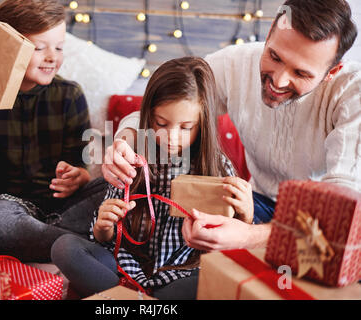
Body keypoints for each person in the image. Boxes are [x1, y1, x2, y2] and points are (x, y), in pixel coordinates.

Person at [101, 0, 360, 252]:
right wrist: (126, 139)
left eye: (300, 73)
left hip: (315, 218)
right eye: (274, 56)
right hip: (258, 202)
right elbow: (169, 103)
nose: (278, 81)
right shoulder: (235, 63)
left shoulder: (352, 94)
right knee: (115, 198)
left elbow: (339, 215)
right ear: (270, 33)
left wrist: (249, 237)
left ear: (332, 72)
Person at [51, 57, 253, 299]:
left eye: (186, 127)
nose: (172, 137)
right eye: (161, 123)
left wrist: (246, 216)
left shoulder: (217, 167)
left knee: (215, 280)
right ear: (148, 116)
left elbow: (235, 243)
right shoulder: (133, 159)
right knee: (64, 248)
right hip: (126, 268)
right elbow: (104, 237)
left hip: (184, 273)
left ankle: (127, 299)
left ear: (203, 124)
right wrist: (102, 225)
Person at [0, 0, 107, 262]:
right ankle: (82, 247)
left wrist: (78, 177)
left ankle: (67, 243)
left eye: (59, 47)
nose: (53, 57)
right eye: (39, 48)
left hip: (64, 208)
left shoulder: (69, 95)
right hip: (8, 208)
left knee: (114, 186)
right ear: (7, 47)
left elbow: (82, 170)